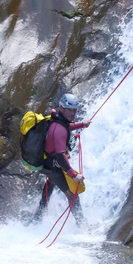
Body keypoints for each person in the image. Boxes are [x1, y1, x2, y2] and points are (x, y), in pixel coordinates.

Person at [32, 93, 91, 224]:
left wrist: (82, 124)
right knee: (71, 193)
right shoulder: (59, 129)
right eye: (69, 110)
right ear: (62, 108)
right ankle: (82, 225)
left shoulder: (57, 120)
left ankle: (37, 218)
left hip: (46, 162)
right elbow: (60, 155)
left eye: (74, 110)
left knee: (51, 183)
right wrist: (73, 175)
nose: (72, 113)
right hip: (52, 165)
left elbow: (66, 127)